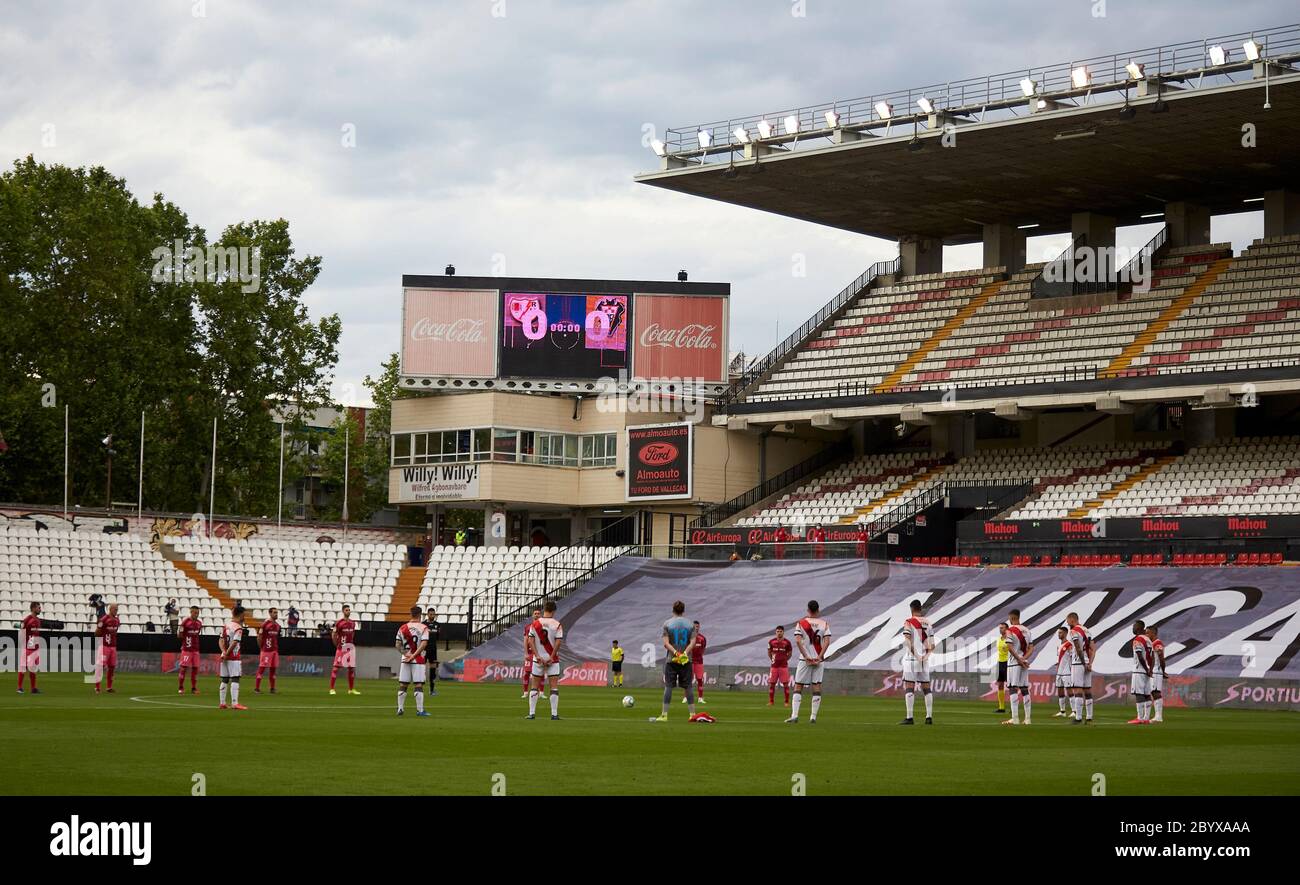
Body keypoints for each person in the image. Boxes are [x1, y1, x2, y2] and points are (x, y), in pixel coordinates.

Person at [786, 600, 830, 724]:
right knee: (816, 685)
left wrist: (806, 656)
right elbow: (827, 642)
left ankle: (794, 716)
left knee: (798, 685)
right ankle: (813, 717)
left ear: (808, 610)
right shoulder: (824, 624)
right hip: (818, 659)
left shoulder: (801, 623)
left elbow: (798, 641)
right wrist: (819, 657)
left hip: (804, 659)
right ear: (818, 610)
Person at [653, 600, 697, 723]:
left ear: (673, 610)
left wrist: (676, 653)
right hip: (686, 661)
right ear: (683, 610)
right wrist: (684, 654)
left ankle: (664, 715)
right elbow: (693, 642)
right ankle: (692, 714)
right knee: (688, 687)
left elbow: (666, 644)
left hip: (671, 660)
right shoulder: (689, 624)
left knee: (668, 687)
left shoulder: (667, 623)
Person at [524, 600, 564, 720]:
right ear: (554, 611)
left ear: (544, 609)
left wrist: (537, 655)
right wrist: (551, 656)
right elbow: (558, 641)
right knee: (554, 687)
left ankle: (532, 713)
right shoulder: (557, 624)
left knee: (534, 685)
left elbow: (530, 640)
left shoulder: (535, 624)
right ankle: (554, 714)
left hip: (538, 659)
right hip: (553, 660)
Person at [396, 605, 431, 717]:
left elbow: (397, 644)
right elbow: (424, 643)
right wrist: (414, 655)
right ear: (420, 615)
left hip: (405, 658)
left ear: (411, 614)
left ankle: (400, 709)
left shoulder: (402, 628)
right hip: (418, 659)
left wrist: (406, 654)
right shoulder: (424, 628)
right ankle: (420, 710)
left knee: (403, 684)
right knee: (418, 684)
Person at [1002, 608, 1033, 725]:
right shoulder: (1027, 630)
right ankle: (1028, 719)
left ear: (1012, 618)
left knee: (1013, 688)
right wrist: (1024, 659)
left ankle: (1014, 718)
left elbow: (1009, 647)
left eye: (1009, 618)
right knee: (1025, 689)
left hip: (1014, 663)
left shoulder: (1010, 630)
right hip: (1024, 663)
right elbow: (1031, 648)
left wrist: (1019, 660)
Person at [1065, 612, 1094, 724]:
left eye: (1068, 621)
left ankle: (1078, 718)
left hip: (1078, 663)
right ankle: (1089, 717)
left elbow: (1077, 647)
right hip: (1087, 662)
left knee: (1077, 689)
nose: (1067, 624)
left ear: (1072, 620)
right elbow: (1092, 649)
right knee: (1087, 690)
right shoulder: (1087, 630)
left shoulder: (1073, 631)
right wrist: (1089, 663)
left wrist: (1083, 663)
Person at [218, 605, 248, 710]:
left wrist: (223, 652)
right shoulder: (238, 628)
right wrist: (228, 653)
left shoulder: (226, 625)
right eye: (244, 615)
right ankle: (235, 703)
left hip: (224, 656)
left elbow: (220, 640)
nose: (245, 617)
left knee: (224, 679)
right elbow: (235, 642)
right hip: (233, 656)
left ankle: (222, 703)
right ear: (240, 615)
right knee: (235, 678)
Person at [329, 604, 360, 696]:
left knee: (351, 669)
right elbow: (334, 634)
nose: (348, 611)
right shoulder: (339, 623)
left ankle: (351, 689)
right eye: (346, 610)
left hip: (350, 648)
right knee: (335, 668)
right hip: (341, 648)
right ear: (343, 611)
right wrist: (337, 644)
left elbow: (353, 634)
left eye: (349, 610)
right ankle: (332, 689)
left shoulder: (352, 623)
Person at [1129, 620, 1155, 725]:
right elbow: (1153, 657)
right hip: (1147, 671)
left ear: (1139, 627)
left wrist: (1145, 668)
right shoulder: (1148, 640)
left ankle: (1140, 718)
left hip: (1139, 670)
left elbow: (1139, 656)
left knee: (1139, 693)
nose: (1133, 628)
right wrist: (1150, 669)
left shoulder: (1138, 640)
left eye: (1134, 626)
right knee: (1147, 694)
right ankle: (1146, 718)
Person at [94, 603, 121, 694]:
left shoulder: (117, 620)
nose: (116, 611)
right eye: (115, 609)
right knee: (100, 666)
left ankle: (109, 687)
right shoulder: (104, 619)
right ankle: (97, 687)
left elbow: (115, 631)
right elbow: (97, 632)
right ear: (110, 609)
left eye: (117, 609)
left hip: (113, 647)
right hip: (104, 646)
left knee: (112, 667)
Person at [255, 607, 281, 693]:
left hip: (274, 651)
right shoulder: (265, 624)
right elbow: (259, 637)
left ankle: (272, 688)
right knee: (262, 669)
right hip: (266, 651)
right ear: (270, 613)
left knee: (273, 670)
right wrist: (261, 648)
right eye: (274, 613)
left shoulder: (278, 626)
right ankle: (257, 688)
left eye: (277, 613)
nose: (276, 614)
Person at [178, 605, 203, 694]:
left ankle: (193, 688)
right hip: (187, 650)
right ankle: (181, 687)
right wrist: (186, 640)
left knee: (195, 669)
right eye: (195, 612)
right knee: (183, 668)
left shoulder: (199, 623)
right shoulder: (185, 622)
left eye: (197, 613)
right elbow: (179, 634)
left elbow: (197, 634)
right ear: (191, 612)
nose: (196, 614)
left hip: (195, 650)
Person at [18, 602, 42, 694]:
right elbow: (22, 631)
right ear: (33, 608)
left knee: (33, 669)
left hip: (35, 648)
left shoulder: (38, 620)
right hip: (27, 647)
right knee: (23, 667)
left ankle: (33, 688)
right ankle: (19, 687)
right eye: (38, 608)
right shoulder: (28, 619)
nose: (40, 609)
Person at [767, 625, 793, 707]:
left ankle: (786, 702)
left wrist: (785, 659)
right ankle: (771, 701)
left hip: (783, 666)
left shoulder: (787, 642)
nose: (779, 633)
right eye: (777, 631)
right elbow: (769, 652)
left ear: (783, 632)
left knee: (785, 684)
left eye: (780, 631)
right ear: (775, 632)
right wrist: (773, 660)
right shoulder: (771, 642)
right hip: (774, 666)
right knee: (772, 684)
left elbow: (790, 653)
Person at [683, 620, 708, 705]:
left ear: (699, 627)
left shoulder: (702, 638)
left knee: (700, 679)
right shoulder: (688, 638)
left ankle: (700, 698)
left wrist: (699, 656)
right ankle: (685, 697)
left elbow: (703, 649)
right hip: (689, 661)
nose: (695, 628)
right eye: (694, 626)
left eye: (697, 626)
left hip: (699, 662)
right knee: (688, 680)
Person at [1146, 625, 1167, 723]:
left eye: (1148, 633)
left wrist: (1163, 671)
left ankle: (1158, 716)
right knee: (1153, 692)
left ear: (1153, 633)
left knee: (1156, 692)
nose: (1146, 635)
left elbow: (1161, 658)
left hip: (1156, 670)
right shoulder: (1152, 643)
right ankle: (1157, 715)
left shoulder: (1157, 643)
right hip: (1154, 670)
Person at [521, 608, 541, 699]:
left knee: (540, 673)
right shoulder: (528, 627)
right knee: (527, 673)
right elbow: (525, 640)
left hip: (539, 653)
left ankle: (541, 692)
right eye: (535, 613)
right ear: (533, 615)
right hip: (530, 652)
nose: (537, 615)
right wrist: (526, 653)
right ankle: (525, 692)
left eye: (538, 613)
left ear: (540, 615)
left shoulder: (543, 627)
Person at [1053, 626, 1072, 717]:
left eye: (1060, 633)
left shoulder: (1069, 645)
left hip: (1067, 671)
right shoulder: (1058, 645)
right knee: (1060, 691)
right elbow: (1059, 658)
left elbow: (1072, 657)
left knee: (1069, 691)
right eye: (1058, 633)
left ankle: (1075, 711)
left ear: (1065, 633)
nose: (1058, 634)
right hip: (1059, 672)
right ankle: (1062, 711)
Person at [423, 607, 440, 696]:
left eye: (433, 614)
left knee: (433, 669)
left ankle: (432, 690)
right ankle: (419, 688)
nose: (432, 616)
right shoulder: (423, 624)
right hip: (424, 649)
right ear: (427, 614)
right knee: (421, 668)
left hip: (433, 649)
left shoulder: (437, 625)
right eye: (431, 614)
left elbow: (438, 637)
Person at [993, 622, 1010, 713]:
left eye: (1002, 628)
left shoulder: (1010, 639)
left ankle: (1013, 708)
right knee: (1000, 684)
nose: (1000, 629)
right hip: (1000, 663)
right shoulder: (999, 639)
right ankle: (1001, 707)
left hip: (1009, 663)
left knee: (1011, 686)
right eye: (1000, 628)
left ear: (1007, 629)